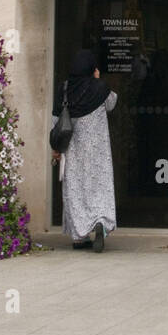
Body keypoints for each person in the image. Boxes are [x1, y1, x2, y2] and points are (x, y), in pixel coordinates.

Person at [51, 49, 117, 252]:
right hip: (98, 150)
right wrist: (98, 80)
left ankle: (79, 236)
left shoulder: (64, 88)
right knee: (99, 186)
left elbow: (56, 118)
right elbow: (112, 104)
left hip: (73, 148)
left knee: (75, 188)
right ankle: (99, 221)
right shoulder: (100, 88)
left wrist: (55, 148)